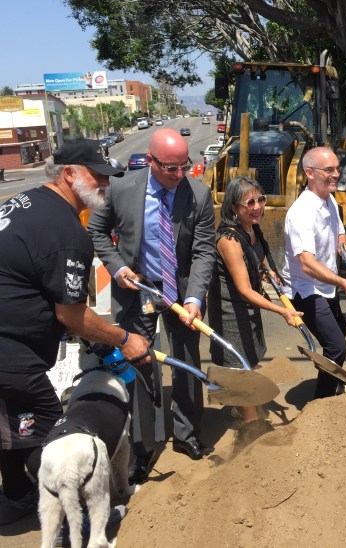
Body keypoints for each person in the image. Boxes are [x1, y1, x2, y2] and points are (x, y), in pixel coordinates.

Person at [0, 139, 150, 525]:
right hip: (10, 350)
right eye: (96, 175)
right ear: (68, 173)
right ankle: (80, 518)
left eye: (108, 176)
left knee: (11, 418)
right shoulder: (66, 230)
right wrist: (124, 339)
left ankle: (16, 495)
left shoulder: (26, 200)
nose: (105, 184)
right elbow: (71, 314)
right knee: (56, 433)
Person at [88, 128, 215, 482]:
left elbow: (204, 250)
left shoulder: (199, 194)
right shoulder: (121, 188)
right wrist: (117, 268)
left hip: (181, 291)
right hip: (138, 289)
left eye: (183, 167)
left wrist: (194, 298)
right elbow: (97, 231)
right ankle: (142, 447)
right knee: (140, 363)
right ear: (151, 160)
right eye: (170, 168)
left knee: (188, 362)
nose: (178, 175)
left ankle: (186, 432)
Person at [207, 176, 302, 444]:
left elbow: (258, 257)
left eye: (261, 199)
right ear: (234, 208)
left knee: (250, 356)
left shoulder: (252, 228)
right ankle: (251, 425)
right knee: (239, 363)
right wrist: (282, 311)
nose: (258, 206)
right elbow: (245, 290)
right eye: (250, 202)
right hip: (230, 309)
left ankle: (243, 406)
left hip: (247, 307)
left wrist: (269, 272)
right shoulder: (229, 240)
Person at [282, 147, 346, 399]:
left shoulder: (329, 200)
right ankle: (322, 403)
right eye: (329, 170)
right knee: (336, 346)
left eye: (337, 168)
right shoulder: (302, 212)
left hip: (325, 286)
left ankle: (333, 383)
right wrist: (344, 283)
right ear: (309, 173)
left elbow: (339, 233)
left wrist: (345, 245)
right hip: (305, 289)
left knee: (340, 331)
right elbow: (306, 263)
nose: (336, 174)